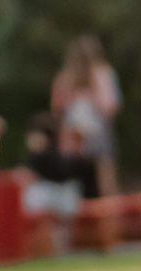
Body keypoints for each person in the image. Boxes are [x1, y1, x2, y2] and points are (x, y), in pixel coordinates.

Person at [51, 35, 121, 199]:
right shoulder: (104, 74)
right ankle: (109, 221)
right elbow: (110, 107)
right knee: (105, 180)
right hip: (98, 133)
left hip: (73, 135)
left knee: (74, 183)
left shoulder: (64, 78)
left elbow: (57, 109)